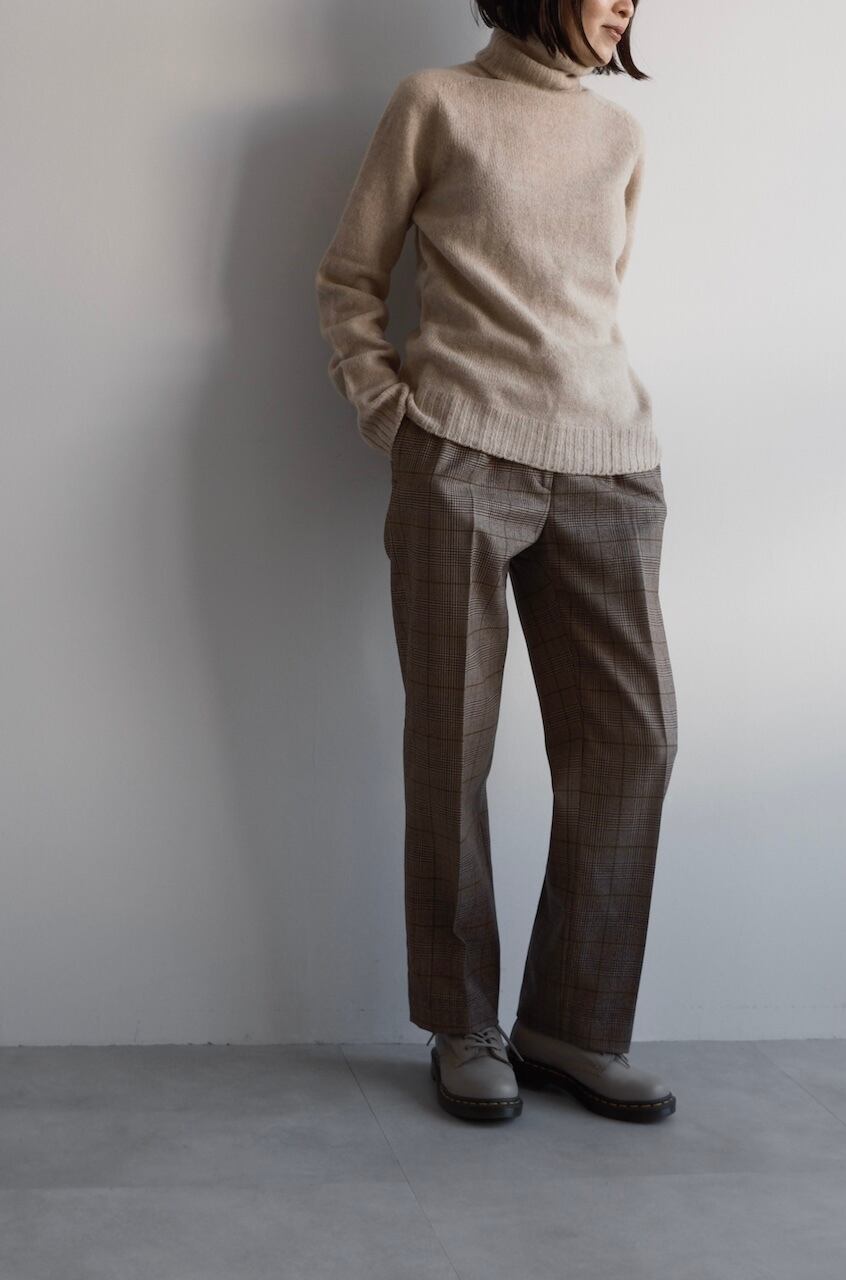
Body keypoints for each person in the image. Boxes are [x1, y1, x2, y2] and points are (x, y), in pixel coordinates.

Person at [314, 0, 678, 1124]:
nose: (626, 3)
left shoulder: (618, 135)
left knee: (633, 742)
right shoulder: (435, 104)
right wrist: (392, 413)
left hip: (611, 462)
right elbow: (348, 278)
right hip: (462, 455)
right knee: (453, 743)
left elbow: (586, 303)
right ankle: (462, 1022)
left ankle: (572, 1024)